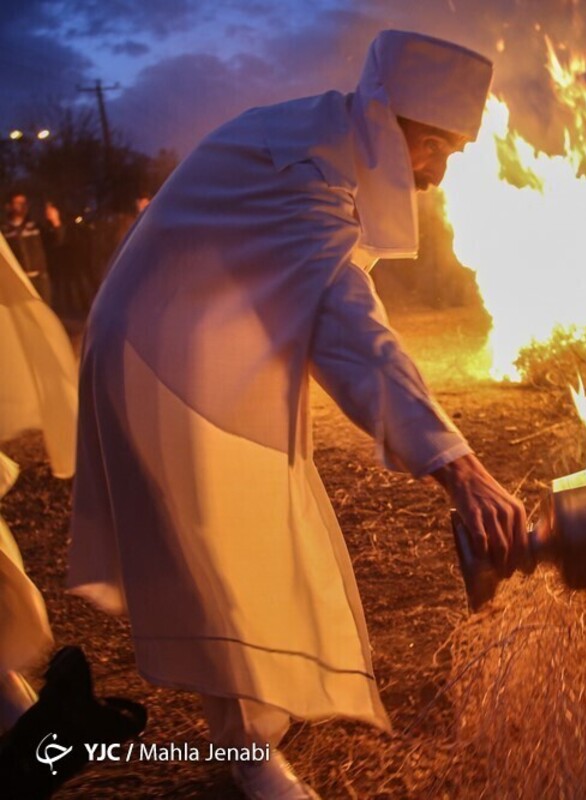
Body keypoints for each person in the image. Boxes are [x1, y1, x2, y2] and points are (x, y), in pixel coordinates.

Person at [66, 30, 528, 800]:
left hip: (200, 358)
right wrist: (462, 470)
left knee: (245, 529)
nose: (437, 174)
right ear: (387, 121)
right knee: (209, 552)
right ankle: (245, 757)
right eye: (431, 147)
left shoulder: (318, 141)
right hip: (152, 360)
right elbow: (351, 334)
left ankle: (252, 727)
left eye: (451, 152)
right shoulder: (304, 168)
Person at [2, 192, 65, 305]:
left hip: (40, 278)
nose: (22, 206)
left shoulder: (35, 226)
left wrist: (55, 221)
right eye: (18, 203)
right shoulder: (5, 231)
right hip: (19, 281)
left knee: (44, 312)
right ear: (9, 206)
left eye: (24, 203)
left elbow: (56, 241)